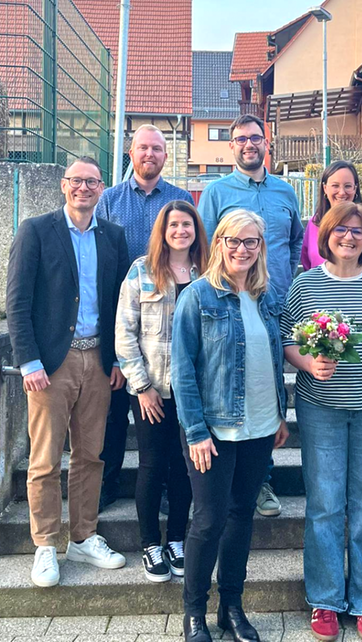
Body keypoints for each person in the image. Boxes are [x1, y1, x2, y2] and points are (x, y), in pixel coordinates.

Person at [282, 201, 362, 642]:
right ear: (326, 235)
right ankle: (324, 599)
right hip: (321, 408)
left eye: (357, 231)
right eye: (341, 229)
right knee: (324, 504)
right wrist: (308, 363)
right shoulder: (305, 285)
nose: (349, 237)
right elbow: (286, 340)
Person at [6, 156, 129, 588]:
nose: (83, 188)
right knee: (44, 459)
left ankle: (83, 537)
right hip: (50, 366)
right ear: (63, 185)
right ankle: (44, 544)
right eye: (76, 180)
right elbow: (17, 301)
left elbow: (120, 304)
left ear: (102, 189)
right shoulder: (36, 230)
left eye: (92, 182)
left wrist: (117, 359)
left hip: (98, 361)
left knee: (90, 455)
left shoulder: (113, 236)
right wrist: (29, 361)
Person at [171, 209, 289, 642]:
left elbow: (273, 358)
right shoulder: (198, 297)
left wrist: (279, 414)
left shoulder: (266, 296)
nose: (242, 249)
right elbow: (182, 371)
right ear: (219, 243)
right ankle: (194, 613)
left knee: (242, 516)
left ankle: (231, 607)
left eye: (251, 241)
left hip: (261, 426)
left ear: (261, 247)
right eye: (233, 241)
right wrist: (196, 432)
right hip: (214, 432)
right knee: (208, 521)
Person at [198, 113, 303, 517]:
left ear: (266, 142)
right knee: (234, 383)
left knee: (266, 383)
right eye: (240, 139)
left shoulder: (285, 191)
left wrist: (283, 282)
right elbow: (205, 248)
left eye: (255, 138)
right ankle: (230, 479)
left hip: (273, 305)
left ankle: (262, 480)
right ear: (231, 146)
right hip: (230, 305)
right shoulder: (216, 192)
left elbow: (294, 242)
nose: (248, 145)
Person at [96, 124, 195, 512]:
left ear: (165, 156)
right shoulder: (110, 199)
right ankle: (108, 483)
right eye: (143, 148)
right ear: (131, 153)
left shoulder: (180, 198)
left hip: (166, 319)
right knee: (113, 412)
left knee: (166, 426)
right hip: (123, 313)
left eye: (157, 148)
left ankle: (169, 489)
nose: (149, 154)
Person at [115, 201, 208, 582]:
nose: (180, 231)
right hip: (151, 388)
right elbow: (125, 333)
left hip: (193, 392)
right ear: (163, 231)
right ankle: (150, 543)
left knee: (185, 467)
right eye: (173, 225)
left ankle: (176, 540)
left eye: (187, 224)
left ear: (196, 229)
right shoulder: (142, 270)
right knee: (153, 465)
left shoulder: (208, 272)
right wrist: (141, 387)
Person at [300, 161, 362, 270]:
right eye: (335, 186)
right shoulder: (315, 222)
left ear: (355, 189)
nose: (341, 192)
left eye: (347, 186)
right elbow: (307, 266)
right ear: (325, 188)